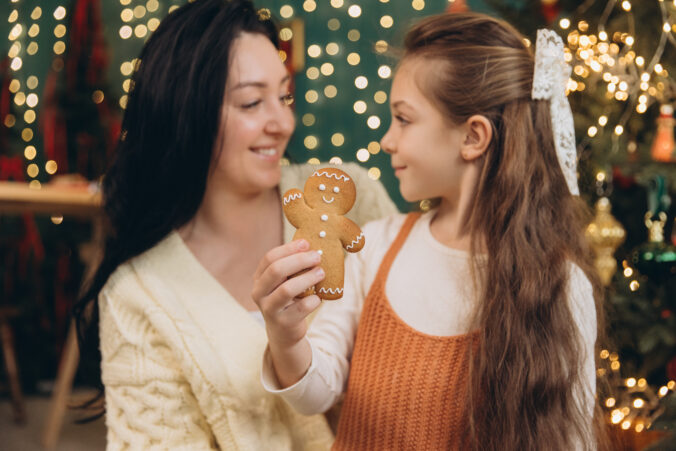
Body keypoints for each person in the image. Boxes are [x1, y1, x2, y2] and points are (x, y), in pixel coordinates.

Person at [253, 12, 607, 451]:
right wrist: (285, 334)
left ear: (473, 137)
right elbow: (316, 392)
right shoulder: (377, 246)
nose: (387, 139)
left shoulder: (559, 285)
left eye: (403, 119)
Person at [72, 0, 397, 449]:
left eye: (284, 96)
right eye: (250, 102)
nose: (282, 123)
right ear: (187, 113)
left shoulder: (353, 200)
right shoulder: (139, 297)